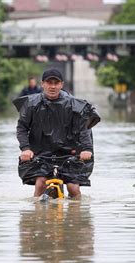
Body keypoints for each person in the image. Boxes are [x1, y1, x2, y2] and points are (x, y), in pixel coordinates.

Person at [13, 68, 100, 199]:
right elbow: (22, 128)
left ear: (61, 85)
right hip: (41, 154)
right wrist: (25, 149)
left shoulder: (74, 105)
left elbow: (84, 129)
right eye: (49, 83)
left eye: (56, 83)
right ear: (42, 84)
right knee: (40, 184)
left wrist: (86, 149)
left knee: (73, 187)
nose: (52, 86)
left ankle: (77, 217)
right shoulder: (31, 104)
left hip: (69, 154)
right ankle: (34, 216)